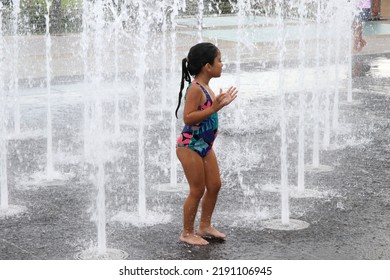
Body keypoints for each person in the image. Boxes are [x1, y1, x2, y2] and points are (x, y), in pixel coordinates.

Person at [175, 42, 238, 245]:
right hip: (190, 145)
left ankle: (204, 225)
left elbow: (209, 112)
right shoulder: (194, 89)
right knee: (197, 189)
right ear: (207, 66)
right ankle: (186, 232)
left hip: (205, 145)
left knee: (214, 185)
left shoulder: (207, 88)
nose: (222, 64)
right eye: (219, 60)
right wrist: (214, 109)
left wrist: (220, 103)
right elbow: (188, 117)